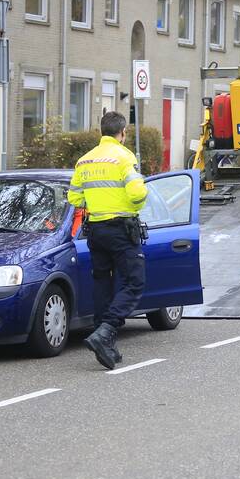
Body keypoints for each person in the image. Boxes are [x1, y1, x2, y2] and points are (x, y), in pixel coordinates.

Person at [68, 111, 148, 369]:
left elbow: (75, 199)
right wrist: (139, 198)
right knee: (135, 281)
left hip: (96, 231)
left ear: (100, 132)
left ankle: (105, 343)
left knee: (103, 281)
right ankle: (107, 330)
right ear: (122, 133)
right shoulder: (124, 157)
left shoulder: (84, 161)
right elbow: (137, 194)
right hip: (122, 229)